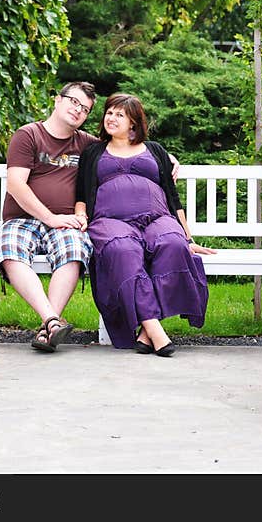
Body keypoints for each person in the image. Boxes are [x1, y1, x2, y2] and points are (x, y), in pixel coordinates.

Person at [74, 93, 216, 357]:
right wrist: (81, 216)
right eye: (108, 113)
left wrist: (188, 238)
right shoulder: (93, 152)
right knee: (123, 251)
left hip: (158, 218)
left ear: (134, 123)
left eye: (119, 114)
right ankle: (155, 329)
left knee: (173, 244)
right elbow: (81, 195)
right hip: (110, 222)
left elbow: (173, 198)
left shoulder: (155, 150)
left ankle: (145, 334)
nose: (111, 118)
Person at [0, 82, 99, 353]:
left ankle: (48, 327)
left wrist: (166, 157)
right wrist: (50, 217)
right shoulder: (29, 135)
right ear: (58, 100)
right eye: (74, 102)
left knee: (75, 248)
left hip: (65, 222)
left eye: (85, 109)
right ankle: (52, 320)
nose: (78, 110)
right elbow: (16, 184)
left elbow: (124, 146)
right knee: (9, 246)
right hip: (22, 219)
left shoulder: (85, 143)